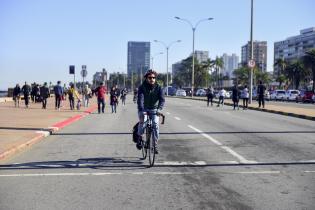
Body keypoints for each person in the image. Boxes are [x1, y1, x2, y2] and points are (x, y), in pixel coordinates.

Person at [136, 69, 165, 154]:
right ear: (146, 78)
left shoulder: (159, 87)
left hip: (154, 110)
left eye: (154, 77)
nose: (152, 79)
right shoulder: (142, 87)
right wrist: (141, 110)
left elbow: (162, 100)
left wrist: (159, 109)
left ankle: (155, 145)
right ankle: (139, 137)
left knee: (155, 125)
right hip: (144, 108)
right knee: (143, 122)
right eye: (150, 77)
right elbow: (140, 99)